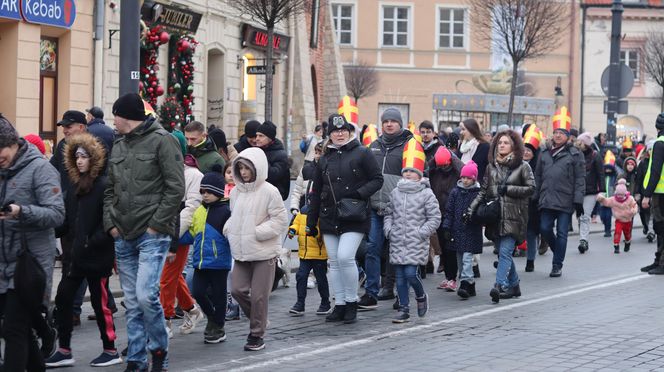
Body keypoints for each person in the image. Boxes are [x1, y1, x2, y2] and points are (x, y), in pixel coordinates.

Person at [104, 93, 185, 371]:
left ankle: (159, 349)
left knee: (145, 295)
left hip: (151, 234)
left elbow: (176, 188)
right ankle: (137, 359)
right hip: (122, 233)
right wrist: (110, 224)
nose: (112, 120)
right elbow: (110, 189)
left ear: (125, 116)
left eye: (114, 114)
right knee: (132, 302)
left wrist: (156, 225)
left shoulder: (163, 140)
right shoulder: (119, 145)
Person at [45, 133, 121, 368]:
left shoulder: (103, 185)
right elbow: (67, 223)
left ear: (94, 159)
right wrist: (50, 231)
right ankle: (65, 349)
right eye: (76, 156)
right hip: (76, 257)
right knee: (64, 299)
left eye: (84, 156)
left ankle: (110, 349)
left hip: (97, 257)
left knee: (101, 305)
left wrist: (91, 240)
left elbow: (110, 222)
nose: (79, 160)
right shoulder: (76, 187)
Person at [0, 115, 65, 371]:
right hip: (3, 264)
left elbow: (57, 214)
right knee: (21, 330)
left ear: (12, 143)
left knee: (14, 329)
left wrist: (21, 211)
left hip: (29, 268)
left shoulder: (40, 168)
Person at [307, 114, 383, 323]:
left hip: (354, 214)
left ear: (349, 131)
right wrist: (310, 222)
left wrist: (358, 194)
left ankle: (351, 302)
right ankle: (339, 304)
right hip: (329, 216)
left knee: (345, 257)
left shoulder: (362, 153)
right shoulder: (324, 158)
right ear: (329, 135)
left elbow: (377, 179)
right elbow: (316, 192)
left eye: (343, 130)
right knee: (334, 262)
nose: (340, 134)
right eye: (335, 131)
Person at [224, 147, 288, 351]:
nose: (243, 172)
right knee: (237, 289)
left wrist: (257, 232)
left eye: (247, 168)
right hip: (242, 251)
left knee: (260, 295)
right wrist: (230, 229)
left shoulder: (270, 191)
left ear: (257, 168)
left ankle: (256, 333)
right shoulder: (235, 192)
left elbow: (279, 220)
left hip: (264, 251)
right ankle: (260, 318)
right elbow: (233, 216)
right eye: (240, 168)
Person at [469, 130, 535, 303]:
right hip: (495, 216)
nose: (502, 145)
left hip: (514, 216)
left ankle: (499, 285)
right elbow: (483, 191)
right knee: (503, 254)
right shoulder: (491, 167)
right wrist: (471, 210)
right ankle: (514, 285)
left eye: (506, 142)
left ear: (514, 145)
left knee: (505, 252)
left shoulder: (523, 166)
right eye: (499, 143)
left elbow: (531, 189)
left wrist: (509, 190)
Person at [359, 108, 411, 310]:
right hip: (374, 206)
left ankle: (399, 292)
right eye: (386, 121)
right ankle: (371, 292)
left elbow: (417, 175)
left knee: (397, 251)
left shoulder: (408, 146)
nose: (389, 124)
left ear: (400, 123)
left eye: (393, 121)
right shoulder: (373, 146)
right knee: (372, 249)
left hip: (398, 207)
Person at [383, 141, 440, 323]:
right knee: (399, 277)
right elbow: (388, 213)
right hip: (398, 239)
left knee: (410, 274)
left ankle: (421, 295)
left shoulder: (426, 194)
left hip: (416, 241)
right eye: (406, 171)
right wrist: (389, 229)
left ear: (419, 174)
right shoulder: (395, 192)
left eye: (412, 171)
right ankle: (404, 308)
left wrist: (422, 233)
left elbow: (435, 218)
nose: (408, 174)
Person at [180, 169, 232, 344]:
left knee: (219, 295)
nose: (205, 195)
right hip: (200, 262)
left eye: (208, 191)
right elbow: (193, 233)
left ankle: (219, 326)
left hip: (219, 263)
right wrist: (175, 239)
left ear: (218, 192)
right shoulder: (199, 211)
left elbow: (231, 236)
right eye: (202, 191)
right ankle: (212, 318)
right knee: (198, 292)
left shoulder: (226, 211)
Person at [159, 152, 204, 338]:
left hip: (177, 234)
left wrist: (173, 235)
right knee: (173, 276)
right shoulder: (163, 171)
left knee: (167, 277)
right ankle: (191, 309)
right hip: (160, 230)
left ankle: (166, 318)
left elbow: (191, 207)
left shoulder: (193, 175)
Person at [535, 112, 585, 278]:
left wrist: (578, 201)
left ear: (568, 137)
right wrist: (536, 194)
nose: (557, 135)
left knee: (563, 232)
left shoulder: (576, 154)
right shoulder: (544, 152)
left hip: (566, 200)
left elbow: (580, 179)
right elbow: (538, 176)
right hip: (547, 198)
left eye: (561, 133)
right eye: (556, 132)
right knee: (544, 228)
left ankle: (557, 264)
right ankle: (558, 251)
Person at [442, 161, 482, 299]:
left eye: (468, 178)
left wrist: (476, 218)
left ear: (474, 179)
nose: (465, 180)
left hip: (471, 231)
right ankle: (470, 284)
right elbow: (449, 211)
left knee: (467, 259)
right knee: (460, 259)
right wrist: (447, 227)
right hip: (457, 231)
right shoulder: (455, 192)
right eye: (463, 177)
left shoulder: (478, 194)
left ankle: (464, 284)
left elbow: (480, 212)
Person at [428, 146, 464, 289]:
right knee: (442, 247)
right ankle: (448, 277)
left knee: (450, 248)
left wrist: (453, 157)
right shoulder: (435, 171)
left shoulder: (456, 171)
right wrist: (434, 161)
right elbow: (425, 170)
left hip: (453, 214)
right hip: (438, 213)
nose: (443, 167)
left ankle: (453, 278)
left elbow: (464, 171)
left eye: (445, 164)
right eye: (440, 165)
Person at [287, 201, 330, 317]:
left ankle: (325, 302)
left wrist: (314, 232)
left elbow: (325, 230)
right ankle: (300, 304)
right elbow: (297, 223)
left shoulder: (323, 212)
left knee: (321, 279)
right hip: (304, 253)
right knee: (301, 276)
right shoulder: (303, 210)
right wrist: (293, 229)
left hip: (318, 254)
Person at [640, 113, 664, 274]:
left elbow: (655, 171)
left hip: (659, 193)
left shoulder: (659, 144)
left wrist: (647, 195)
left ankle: (661, 264)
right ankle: (658, 261)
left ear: (657, 127)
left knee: (660, 228)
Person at [575, 132, 604, 254]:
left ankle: (583, 240)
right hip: (577, 191)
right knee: (579, 217)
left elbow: (600, 174)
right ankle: (583, 236)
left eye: (579, 142)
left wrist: (602, 192)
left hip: (590, 191)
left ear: (585, 144)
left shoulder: (595, 156)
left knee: (585, 216)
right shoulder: (575, 155)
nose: (577, 143)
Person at [597, 179, 638, 254]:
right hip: (619, 220)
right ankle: (616, 246)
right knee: (617, 232)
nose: (620, 197)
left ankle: (627, 243)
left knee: (627, 234)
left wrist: (633, 211)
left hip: (628, 220)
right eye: (618, 195)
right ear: (616, 193)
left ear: (625, 193)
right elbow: (606, 202)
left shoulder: (630, 198)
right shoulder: (613, 199)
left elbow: (635, 205)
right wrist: (601, 198)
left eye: (622, 195)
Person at [522, 124, 542, 272]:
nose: (526, 152)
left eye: (529, 150)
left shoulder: (538, 166)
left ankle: (530, 260)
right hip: (517, 203)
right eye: (524, 150)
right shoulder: (516, 163)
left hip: (532, 204)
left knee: (531, 233)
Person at [254, 121, 291, 201]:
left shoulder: (281, 155)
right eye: (256, 135)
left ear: (270, 138)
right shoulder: (258, 150)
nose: (257, 139)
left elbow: (273, 175)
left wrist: (261, 156)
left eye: (261, 136)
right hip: (257, 195)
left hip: (273, 198)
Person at [635, 141, 656, 243]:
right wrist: (637, 193)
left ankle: (651, 232)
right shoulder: (642, 163)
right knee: (644, 213)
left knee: (653, 213)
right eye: (650, 150)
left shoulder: (659, 162)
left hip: (656, 192)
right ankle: (646, 227)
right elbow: (638, 179)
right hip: (643, 192)